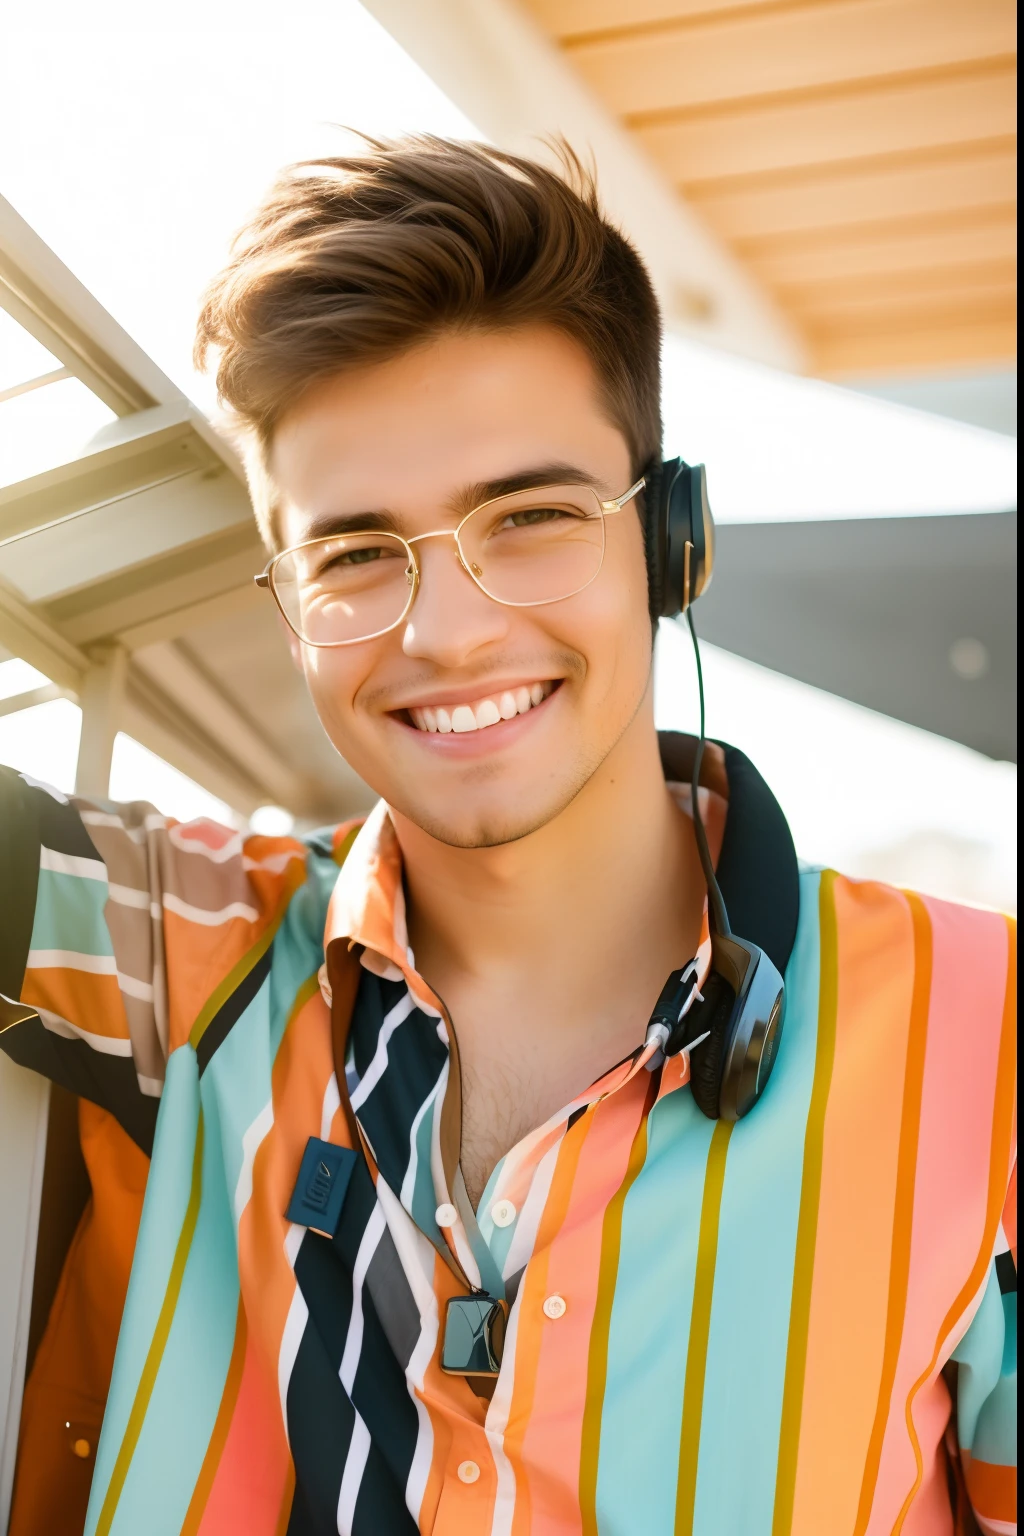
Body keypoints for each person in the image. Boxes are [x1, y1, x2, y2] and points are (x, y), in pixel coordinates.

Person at [1, 137, 1015, 1536]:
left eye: (529, 517)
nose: (446, 630)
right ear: (288, 610)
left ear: (672, 541)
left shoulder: (994, 1029)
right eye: (355, 555)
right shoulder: (178, 950)